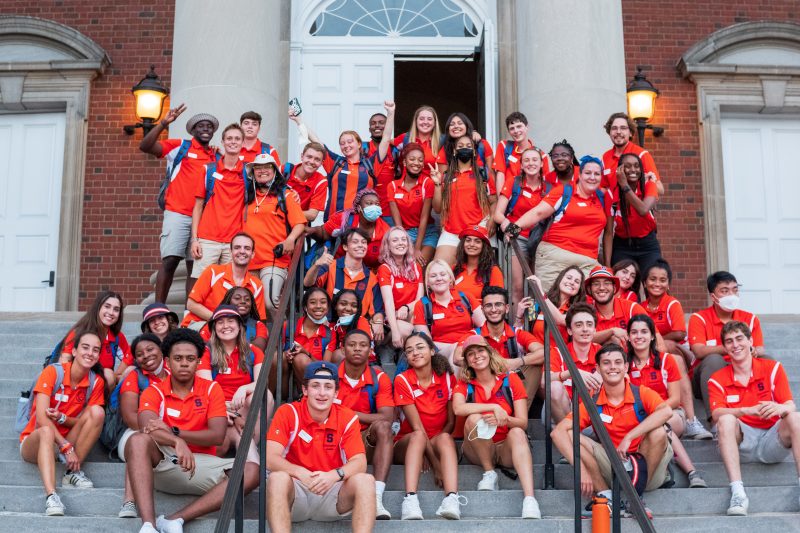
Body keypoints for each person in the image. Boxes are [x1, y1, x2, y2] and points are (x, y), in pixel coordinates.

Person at [126, 328, 260, 533]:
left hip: (201, 465)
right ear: (168, 362)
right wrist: (176, 443)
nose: (184, 363)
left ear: (198, 362)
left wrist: (175, 432)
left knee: (252, 471)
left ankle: (175, 519)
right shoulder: (154, 391)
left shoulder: (210, 388)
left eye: (190, 358)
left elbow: (217, 436)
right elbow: (147, 428)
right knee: (136, 440)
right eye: (178, 358)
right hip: (164, 464)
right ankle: (148, 525)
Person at [552, 344, 673, 515]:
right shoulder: (592, 403)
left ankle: (636, 497)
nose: (613, 367)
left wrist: (629, 437)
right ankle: (605, 494)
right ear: (598, 369)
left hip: (646, 467)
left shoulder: (641, 393)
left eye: (617, 362)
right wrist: (581, 469)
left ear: (626, 367)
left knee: (658, 432)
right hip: (613, 466)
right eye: (606, 363)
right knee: (570, 434)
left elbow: (667, 412)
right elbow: (557, 432)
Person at [266, 361, 376, 532]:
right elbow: (270, 458)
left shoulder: (347, 416)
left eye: (328, 387)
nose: (322, 393)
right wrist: (299, 472)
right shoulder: (288, 412)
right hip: (297, 492)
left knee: (366, 480)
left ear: (336, 392)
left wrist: (334, 475)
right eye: (315, 386)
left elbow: (360, 462)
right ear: (305, 390)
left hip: (332, 493)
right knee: (277, 478)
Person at [711, 321, 800, 516]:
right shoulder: (717, 378)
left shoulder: (772, 368)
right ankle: (738, 492)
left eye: (739, 338)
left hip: (772, 441)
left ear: (751, 341)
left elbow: (790, 405)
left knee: (795, 418)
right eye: (729, 341)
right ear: (725, 348)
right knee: (725, 419)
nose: (735, 345)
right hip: (742, 443)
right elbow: (716, 414)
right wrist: (746, 411)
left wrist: (779, 407)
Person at [452, 335, 542, 519]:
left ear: (490, 353)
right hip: (477, 449)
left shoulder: (510, 380)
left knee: (517, 432)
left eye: (480, 350)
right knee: (474, 418)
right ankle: (489, 473)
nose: (476, 356)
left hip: (506, 447)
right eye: (470, 354)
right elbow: (458, 408)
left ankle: (530, 499)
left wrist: (504, 419)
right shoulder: (464, 383)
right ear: (467, 361)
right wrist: (494, 407)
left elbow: (523, 422)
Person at [19, 330, 105, 516]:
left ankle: (71, 472)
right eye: (85, 347)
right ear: (73, 351)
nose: (90, 353)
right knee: (47, 432)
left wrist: (62, 418)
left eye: (95, 350)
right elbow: (42, 418)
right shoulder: (53, 372)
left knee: (98, 412)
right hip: (35, 441)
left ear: (99, 356)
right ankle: (51, 496)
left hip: (65, 441)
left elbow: (82, 422)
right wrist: (66, 446)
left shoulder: (95, 382)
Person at [139, 105, 218, 303]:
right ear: (193, 130)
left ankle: (189, 312)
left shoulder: (216, 157)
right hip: (178, 213)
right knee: (171, 261)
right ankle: (158, 309)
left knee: (194, 267)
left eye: (209, 126)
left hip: (202, 218)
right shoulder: (181, 147)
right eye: (201, 126)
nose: (206, 129)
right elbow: (146, 147)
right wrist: (163, 124)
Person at [507, 156, 612, 292]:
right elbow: (538, 213)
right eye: (587, 173)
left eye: (597, 174)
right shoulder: (564, 192)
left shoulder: (602, 197)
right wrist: (515, 227)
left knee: (586, 305)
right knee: (551, 303)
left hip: (588, 261)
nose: (592, 177)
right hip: (555, 255)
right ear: (579, 174)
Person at [626, 315, 709, 488]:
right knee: (654, 427)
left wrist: (656, 413)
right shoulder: (624, 364)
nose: (639, 336)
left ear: (652, 336)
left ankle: (692, 472)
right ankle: (661, 472)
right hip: (638, 417)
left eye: (644, 332)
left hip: (672, 413)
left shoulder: (666, 360)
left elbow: (675, 399)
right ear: (628, 337)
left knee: (661, 425)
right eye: (634, 332)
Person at [394, 332, 464, 520]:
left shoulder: (447, 378)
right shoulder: (402, 380)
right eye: (409, 350)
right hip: (407, 443)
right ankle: (410, 500)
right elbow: (417, 427)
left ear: (432, 350)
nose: (415, 353)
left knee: (446, 437)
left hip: (435, 440)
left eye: (420, 347)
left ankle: (451, 498)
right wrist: (435, 463)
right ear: (406, 357)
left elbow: (450, 422)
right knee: (418, 437)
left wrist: (432, 446)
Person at [641, 260, 712, 440]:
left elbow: (680, 333)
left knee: (673, 353)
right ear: (644, 282)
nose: (657, 284)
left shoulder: (672, 303)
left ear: (668, 284)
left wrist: (657, 342)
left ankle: (691, 420)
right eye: (653, 279)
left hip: (677, 353)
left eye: (663, 280)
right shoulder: (640, 308)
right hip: (652, 354)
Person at [291, 101, 394, 221]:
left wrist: (391, 113)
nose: (346, 145)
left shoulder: (370, 164)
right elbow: (315, 140)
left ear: (359, 144)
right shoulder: (335, 163)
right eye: (342, 143)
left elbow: (385, 140)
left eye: (350, 142)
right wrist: (299, 121)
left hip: (360, 224)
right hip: (332, 222)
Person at [689, 271, 765, 421]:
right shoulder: (699, 318)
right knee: (714, 359)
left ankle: (768, 414)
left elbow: (760, 348)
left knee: (767, 359)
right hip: (706, 376)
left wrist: (754, 350)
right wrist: (734, 347)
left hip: (739, 371)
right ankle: (715, 420)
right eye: (725, 291)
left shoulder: (749, 319)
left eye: (735, 290)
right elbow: (698, 351)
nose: (731, 295)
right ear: (713, 296)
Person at [335, 329, 395, 519]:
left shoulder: (380, 378)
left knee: (384, 428)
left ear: (370, 351)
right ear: (343, 350)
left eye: (363, 345)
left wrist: (348, 413)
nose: (357, 349)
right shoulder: (329, 376)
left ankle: (376, 496)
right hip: (334, 437)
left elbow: (386, 417)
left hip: (363, 438)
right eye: (352, 345)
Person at [454, 286, 543, 407]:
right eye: (488, 305)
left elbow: (544, 352)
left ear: (506, 308)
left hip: (511, 386)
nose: (494, 309)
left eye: (498, 304)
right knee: (465, 366)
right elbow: (457, 358)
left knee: (535, 364)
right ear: (482, 309)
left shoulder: (516, 333)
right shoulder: (474, 335)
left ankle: (518, 413)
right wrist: (494, 363)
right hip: (485, 384)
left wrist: (516, 362)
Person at [115, 333, 171, 519]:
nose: (146, 355)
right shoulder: (134, 376)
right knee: (138, 442)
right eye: (140, 354)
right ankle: (129, 501)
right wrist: (155, 430)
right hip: (135, 430)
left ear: (161, 349)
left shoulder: (174, 371)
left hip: (168, 433)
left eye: (150, 349)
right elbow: (130, 417)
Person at [243, 153, 306, 316]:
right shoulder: (246, 196)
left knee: (270, 302)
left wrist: (291, 239)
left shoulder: (286, 195)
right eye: (258, 168)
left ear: (274, 171)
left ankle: (283, 337)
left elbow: (300, 223)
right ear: (253, 172)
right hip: (247, 260)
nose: (262, 171)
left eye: (267, 167)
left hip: (274, 259)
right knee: (251, 307)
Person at [189, 123, 248, 289]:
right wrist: (195, 240)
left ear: (243, 143)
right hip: (208, 239)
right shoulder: (208, 170)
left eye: (237, 138)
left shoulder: (248, 172)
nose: (233, 142)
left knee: (229, 289)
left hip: (234, 241)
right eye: (229, 138)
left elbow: (271, 182)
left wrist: (292, 192)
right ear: (222, 141)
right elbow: (198, 206)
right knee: (202, 287)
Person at [493, 147, 548, 306]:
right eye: (527, 160)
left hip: (540, 242)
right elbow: (498, 214)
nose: (531, 163)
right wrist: (508, 227)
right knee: (517, 287)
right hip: (518, 239)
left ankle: (531, 326)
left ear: (541, 163)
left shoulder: (548, 187)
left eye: (535, 160)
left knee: (536, 286)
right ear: (521, 166)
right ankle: (517, 324)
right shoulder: (514, 183)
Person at [431, 134, 497, 266]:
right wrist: (437, 185)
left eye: (468, 146)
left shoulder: (483, 174)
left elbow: (494, 201)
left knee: (477, 277)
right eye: (460, 146)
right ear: (455, 151)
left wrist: (492, 220)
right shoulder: (447, 176)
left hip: (477, 230)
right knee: (439, 269)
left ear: (473, 151)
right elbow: (438, 209)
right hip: (452, 232)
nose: (464, 149)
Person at [304, 228, 385, 336]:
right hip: (328, 326)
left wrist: (379, 322)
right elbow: (307, 283)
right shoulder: (330, 266)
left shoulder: (372, 278)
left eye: (364, 242)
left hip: (356, 332)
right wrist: (317, 265)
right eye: (355, 242)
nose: (361, 245)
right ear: (345, 246)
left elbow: (377, 310)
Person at [181, 232, 266, 329]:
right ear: (230, 252)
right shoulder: (213, 271)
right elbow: (191, 304)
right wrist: (220, 320)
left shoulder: (256, 284)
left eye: (247, 248)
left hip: (233, 331)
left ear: (253, 254)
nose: (242, 251)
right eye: (237, 247)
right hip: (201, 324)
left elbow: (257, 319)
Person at [412, 259, 485, 367]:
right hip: (441, 351)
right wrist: (456, 346)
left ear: (450, 278)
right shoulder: (422, 305)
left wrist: (465, 344)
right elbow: (426, 343)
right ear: (427, 282)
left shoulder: (466, 298)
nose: (439, 279)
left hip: (469, 345)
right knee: (456, 353)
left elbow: (485, 327)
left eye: (443, 274)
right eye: (433, 276)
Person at [57, 290, 132, 392]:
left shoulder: (117, 337)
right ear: (98, 307)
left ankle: (105, 405)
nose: (111, 312)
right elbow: (63, 363)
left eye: (116, 309)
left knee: (122, 373)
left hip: (102, 386)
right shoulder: (79, 332)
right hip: (76, 384)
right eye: (107, 306)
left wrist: (117, 375)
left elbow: (129, 356)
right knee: (108, 375)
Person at [605, 152, 661, 273]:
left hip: (648, 245)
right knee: (623, 284)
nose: (633, 170)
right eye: (628, 166)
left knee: (652, 282)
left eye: (637, 166)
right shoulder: (611, 194)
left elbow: (643, 210)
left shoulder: (649, 185)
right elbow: (609, 233)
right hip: (622, 245)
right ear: (620, 170)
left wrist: (624, 185)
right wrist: (607, 266)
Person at [549, 303, 603, 423]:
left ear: (594, 329)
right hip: (562, 412)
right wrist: (573, 373)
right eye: (579, 325)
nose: (585, 329)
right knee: (554, 387)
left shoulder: (603, 353)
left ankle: (574, 438)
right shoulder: (558, 351)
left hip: (591, 415)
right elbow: (544, 381)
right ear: (569, 330)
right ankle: (568, 433)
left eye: (589, 325)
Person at [312, 188, 390, 270]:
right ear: (359, 208)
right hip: (338, 270)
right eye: (369, 203)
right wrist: (308, 230)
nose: (374, 207)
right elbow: (323, 233)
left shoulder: (385, 230)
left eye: (377, 204)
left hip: (368, 276)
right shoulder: (345, 219)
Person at [387, 142, 437, 265]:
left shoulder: (427, 183)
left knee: (418, 266)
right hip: (405, 233)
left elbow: (424, 217)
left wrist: (417, 248)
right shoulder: (392, 186)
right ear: (404, 162)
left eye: (420, 160)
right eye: (412, 159)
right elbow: (397, 222)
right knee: (402, 265)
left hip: (427, 233)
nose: (416, 163)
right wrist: (406, 243)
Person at [377, 227, 424, 349]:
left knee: (416, 317)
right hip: (392, 316)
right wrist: (395, 332)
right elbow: (388, 302)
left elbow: (420, 299)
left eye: (404, 239)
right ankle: (387, 348)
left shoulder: (416, 267)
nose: (400, 243)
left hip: (411, 313)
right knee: (405, 330)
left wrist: (406, 307)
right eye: (395, 240)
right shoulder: (385, 269)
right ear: (388, 245)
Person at [601, 112, 663, 199]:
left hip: (636, 210)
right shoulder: (605, 157)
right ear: (609, 132)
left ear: (630, 133)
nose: (618, 132)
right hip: (612, 211)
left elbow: (660, 189)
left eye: (623, 128)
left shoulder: (642, 154)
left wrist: (642, 183)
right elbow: (604, 187)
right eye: (614, 128)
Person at [583, 266, 648, 346]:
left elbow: (656, 341)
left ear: (614, 288)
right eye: (596, 284)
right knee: (612, 341)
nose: (602, 288)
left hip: (633, 356)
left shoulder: (632, 308)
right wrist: (611, 331)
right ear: (589, 289)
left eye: (606, 283)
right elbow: (582, 339)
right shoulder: (585, 312)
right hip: (600, 357)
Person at [284, 287, 333, 387]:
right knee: (278, 357)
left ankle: (306, 396)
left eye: (323, 302)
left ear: (328, 308)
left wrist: (305, 352)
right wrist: (286, 354)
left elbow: (325, 367)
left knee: (301, 358)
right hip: (287, 380)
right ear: (305, 307)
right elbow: (273, 355)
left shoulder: (330, 333)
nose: (318, 306)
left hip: (313, 381)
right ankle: (272, 397)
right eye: (313, 302)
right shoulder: (289, 326)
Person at [528, 266, 586, 347]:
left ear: (579, 289)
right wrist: (519, 317)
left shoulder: (580, 311)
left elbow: (561, 320)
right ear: (560, 279)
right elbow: (526, 328)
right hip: (534, 354)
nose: (572, 282)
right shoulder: (536, 303)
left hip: (558, 357)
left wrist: (541, 294)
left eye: (577, 281)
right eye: (569, 278)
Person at [199, 286, 268, 352]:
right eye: (237, 298)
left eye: (247, 299)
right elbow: (202, 345)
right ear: (228, 302)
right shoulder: (214, 323)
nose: (243, 301)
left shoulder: (258, 325)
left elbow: (259, 348)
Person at [493, 111, 548, 192]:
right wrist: (501, 201)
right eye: (512, 128)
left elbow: (544, 183)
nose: (516, 131)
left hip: (532, 200)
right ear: (509, 132)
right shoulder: (504, 147)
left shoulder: (541, 155)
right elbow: (500, 175)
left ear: (527, 127)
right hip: (509, 199)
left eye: (519, 126)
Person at [436, 112, 494, 183]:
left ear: (467, 126)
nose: (456, 126)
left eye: (460, 123)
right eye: (452, 124)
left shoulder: (482, 145)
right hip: (455, 190)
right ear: (448, 129)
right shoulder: (445, 149)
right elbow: (443, 181)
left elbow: (491, 174)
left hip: (480, 190)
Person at [453, 225, 504, 303]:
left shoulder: (493, 271)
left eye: (477, 241)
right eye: (468, 240)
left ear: (484, 246)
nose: (472, 244)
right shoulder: (454, 269)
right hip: (454, 313)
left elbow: (498, 301)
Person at [325, 289, 375, 365]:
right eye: (343, 304)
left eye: (354, 305)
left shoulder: (361, 321)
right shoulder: (333, 326)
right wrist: (324, 368)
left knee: (339, 354)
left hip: (367, 362)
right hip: (345, 363)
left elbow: (362, 350)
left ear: (358, 309)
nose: (348, 308)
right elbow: (329, 349)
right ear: (335, 306)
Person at [361, 111, 396, 217]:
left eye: (381, 122)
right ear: (369, 129)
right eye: (373, 123)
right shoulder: (362, 148)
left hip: (389, 210)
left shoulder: (395, 150)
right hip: (366, 209)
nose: (377, 125)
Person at [284, 141, 328, 223]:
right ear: (302, 156)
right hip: (273, 222)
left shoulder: (320, 182)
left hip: (297, 224)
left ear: (321, 163)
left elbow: (312, 215)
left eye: (317, 159)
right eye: (309, 157)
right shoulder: (285, 170)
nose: (312, 162)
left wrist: (283, 214)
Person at [394, 105, 441, 180]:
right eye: (421, 119)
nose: (425, 122)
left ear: (435, 123)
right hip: (407, 188)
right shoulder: (405, 138)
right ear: (416, 121)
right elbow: (385, 145)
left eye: (429, 119)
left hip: (431, 188)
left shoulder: (441, 142)